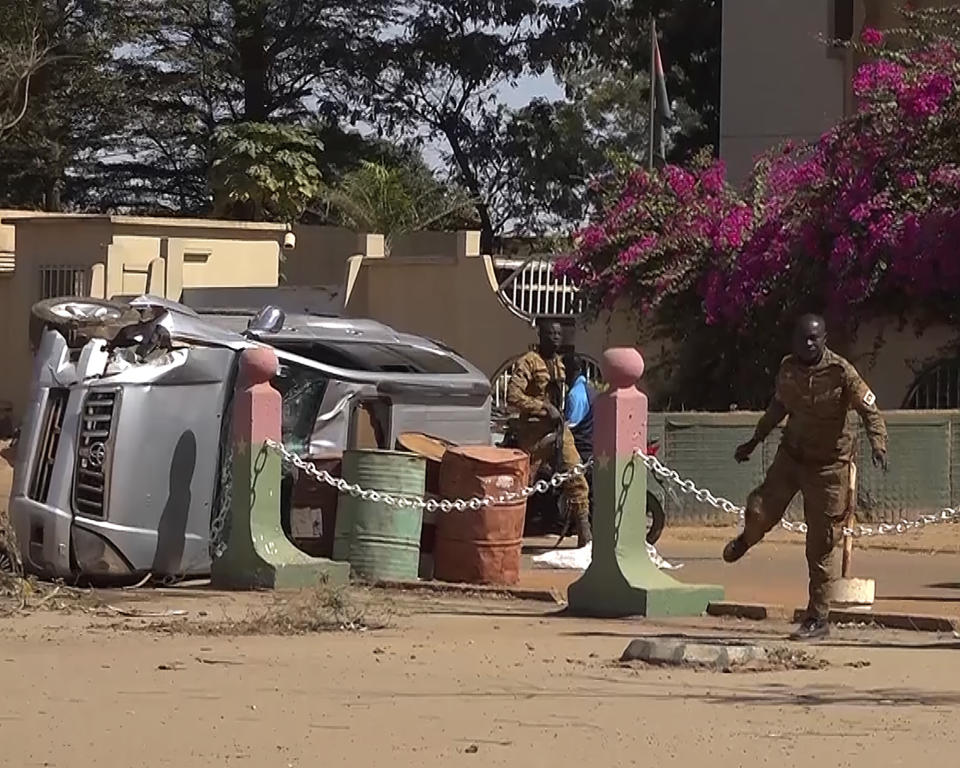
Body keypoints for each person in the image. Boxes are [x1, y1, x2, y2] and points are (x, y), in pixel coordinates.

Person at [724, 314, 888, 640]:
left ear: (824, 339)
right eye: (803, 338)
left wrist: (878, 444)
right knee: (758, 508)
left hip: (829, 467)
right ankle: (747, 539)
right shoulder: (787, 369)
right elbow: (777, 408)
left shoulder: (842, 373)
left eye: (814, 338)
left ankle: (818, 618)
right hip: (792, 457)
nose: (808, 344)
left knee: (821, 545)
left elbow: (870, 410)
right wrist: (754, 442)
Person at [506, 321, 592, 547]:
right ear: (540, 335)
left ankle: (584, 535)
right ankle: (507, 534)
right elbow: (513, 396)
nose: (554, 337)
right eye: (550, 333)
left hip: (559, 431)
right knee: (522, 485)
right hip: (534, 433)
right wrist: (543, 408)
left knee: (576, 476)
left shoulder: (561, 365)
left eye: (558, 334)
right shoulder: (528, 362)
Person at [563, 352, 596, 462]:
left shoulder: (575, 394)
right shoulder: (589, 389)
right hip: (591, 447)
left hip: (581, 451)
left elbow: (570, 426)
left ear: (569, 372)